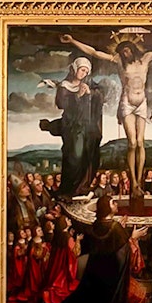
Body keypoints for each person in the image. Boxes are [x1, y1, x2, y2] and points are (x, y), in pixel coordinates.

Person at [61, 32, 152, 192]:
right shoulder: (119, 62)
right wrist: (73, 40)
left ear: (132, 49)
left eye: (127, 50)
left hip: (142, 103)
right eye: (122, 52)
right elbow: (94, 53)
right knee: (132, 143)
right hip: (127, 103)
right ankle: (134, 182)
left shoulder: (146, 58)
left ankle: (138, 180)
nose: (125, 54)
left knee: (140, 143)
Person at [39, 57, 104, 198]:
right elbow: (62, 104)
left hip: (87, 129)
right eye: (82, 70)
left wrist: (90, 94)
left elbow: (100, 96)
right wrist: (78, 96)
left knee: (89, 157)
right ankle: (69, 190)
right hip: (73, 129)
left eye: (86, 71)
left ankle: (82, 187)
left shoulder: (89, 85)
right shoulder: (65, 85)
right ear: (75, 69)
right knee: (75, 156)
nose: (84, 73)